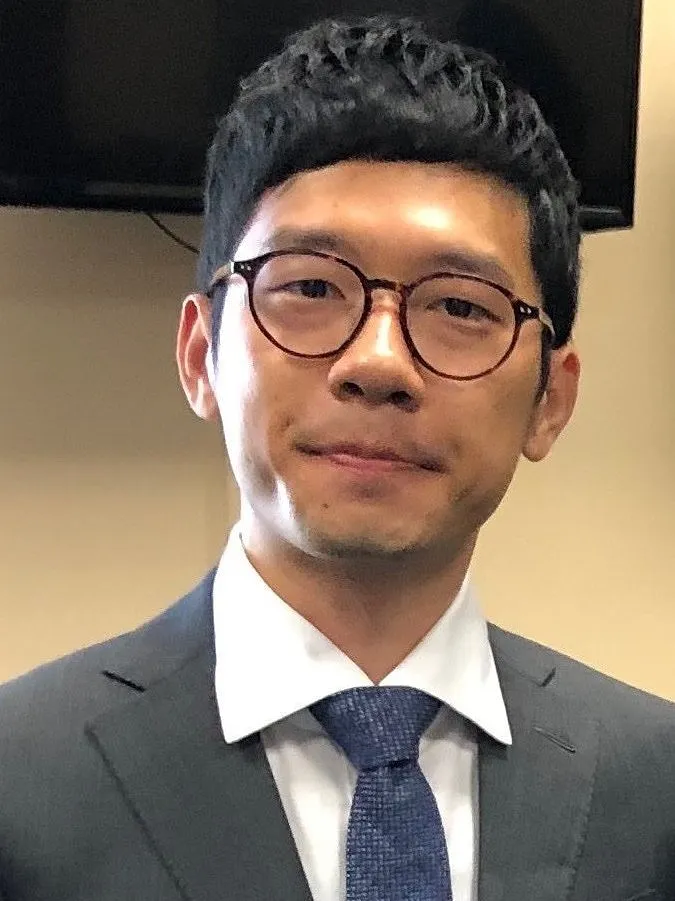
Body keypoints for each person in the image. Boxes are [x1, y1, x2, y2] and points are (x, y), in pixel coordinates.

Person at [0, 14, 673, 901]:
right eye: (311, 286)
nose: (379, 362)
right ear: (201, 356)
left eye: (460, 306)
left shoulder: (655, 786)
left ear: (550, 399)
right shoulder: (20, 784)